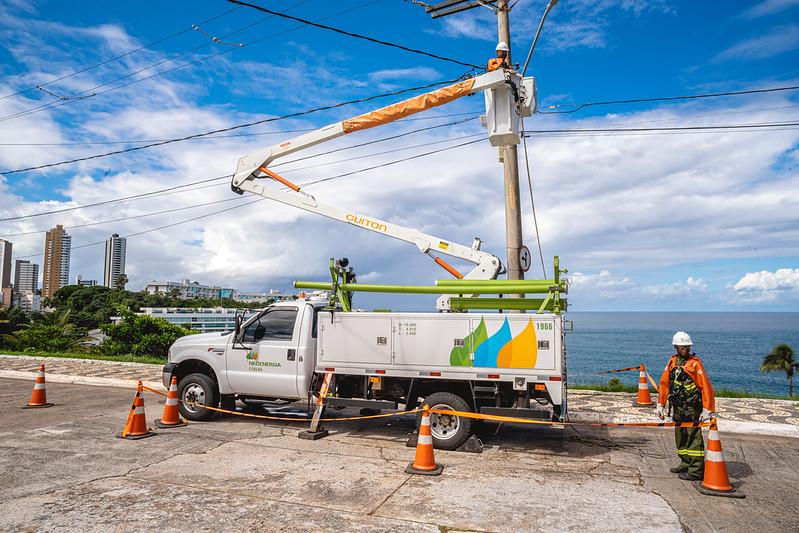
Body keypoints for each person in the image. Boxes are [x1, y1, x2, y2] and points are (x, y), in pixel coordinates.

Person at [656, 331, 716, 481]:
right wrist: (660, 404)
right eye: (683, 347)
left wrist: (707, 409)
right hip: (678, 407)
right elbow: (664, 384)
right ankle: (685, 463)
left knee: (694, 438)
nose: (686, 349)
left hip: (692, 408)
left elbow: (706, 386)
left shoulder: (695, 364)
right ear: (676, 347)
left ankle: (696, 471)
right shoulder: (672, 362)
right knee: (681, 437)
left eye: (687, 347)